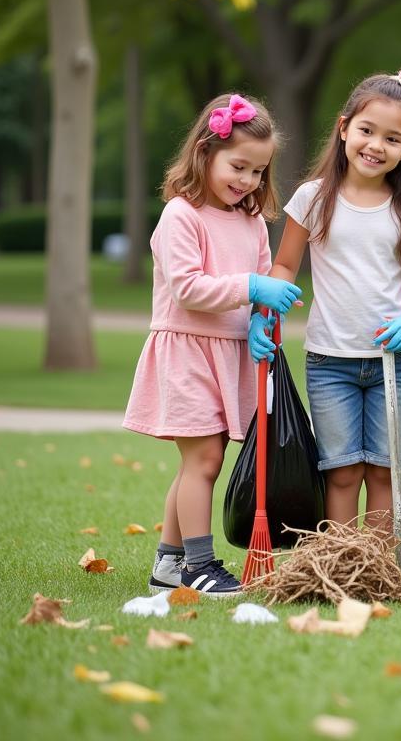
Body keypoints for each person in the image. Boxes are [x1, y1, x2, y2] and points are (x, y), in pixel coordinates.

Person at [124, 93, 303, 597]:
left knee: (206, 459)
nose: (246, 180)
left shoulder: (250, 222)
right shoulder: (181, 216)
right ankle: (198, 566)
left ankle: (168, 562)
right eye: (238, 166)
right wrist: (251, 287)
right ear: (205, 151)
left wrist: (259, 321)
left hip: (229, 353)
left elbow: (260, 285)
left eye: (258, 172)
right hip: (187, 352)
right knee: (202, 460)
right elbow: (189, 288)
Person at [266, 69, 401, 535]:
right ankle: (342, 567)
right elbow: (284, 265)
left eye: (392, 138)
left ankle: (379, 570)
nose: (376, 145)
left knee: (384, 471)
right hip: (330, 360)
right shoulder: (313, 198)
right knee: (341, 471)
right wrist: (269, 303)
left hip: (395, 362)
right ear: (344, 128)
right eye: (367, 130)